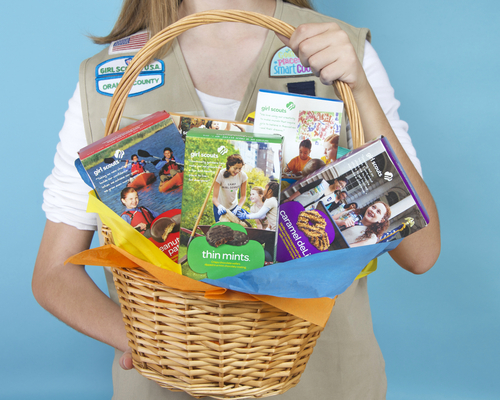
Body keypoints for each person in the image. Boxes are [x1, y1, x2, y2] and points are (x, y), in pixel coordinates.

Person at [33, 1, 441, 399]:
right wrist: (149, 342)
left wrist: (361, 90)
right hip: (166, 387)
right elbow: (52, 271)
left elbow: (420, 254)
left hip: (325, 383)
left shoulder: (341, 53)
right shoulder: (109, 79)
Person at [212, 154, 248, 222]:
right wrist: (219, 206)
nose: (237, 171)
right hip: (220, 207)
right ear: (229, 165)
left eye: (240, 168)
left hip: (234, 207)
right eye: (235, 168)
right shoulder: (220, 174)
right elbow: (214, 198)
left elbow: (243, 196)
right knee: (221, 229)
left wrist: (238, 207)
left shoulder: (243, 176)